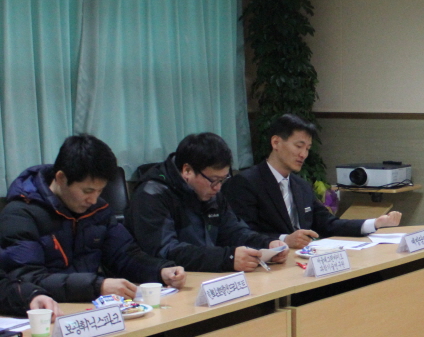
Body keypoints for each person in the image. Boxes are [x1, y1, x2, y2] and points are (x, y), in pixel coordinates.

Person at [0, 134, 185, 306]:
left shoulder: (97, 210)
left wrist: (160, 270)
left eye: (100, 191)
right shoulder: (20, 214)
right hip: (49, 311)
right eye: (87, 191)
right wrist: (97, 286)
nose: (94, 200)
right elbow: (27, 278)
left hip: (89, 307)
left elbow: (124, 255)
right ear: (61, 178)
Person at [223, 114, 400, 249]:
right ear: (276, 142)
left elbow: (328, 223)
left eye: (307, 148)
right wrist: (285, 239)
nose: (304, 154)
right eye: (299, 146)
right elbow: (241, 234)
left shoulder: (301, 185)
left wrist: (375, 223)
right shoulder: (245, 182)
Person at [127, 133, 287, 273]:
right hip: (165, 284)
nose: (218, 188)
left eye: (222, 180)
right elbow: (165, 251)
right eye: (214, 180)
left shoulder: (210, 191)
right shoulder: (151, 194)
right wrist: (227, 258)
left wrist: (267, 245)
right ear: (187, 170)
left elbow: (234, 231)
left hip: (206, 276)